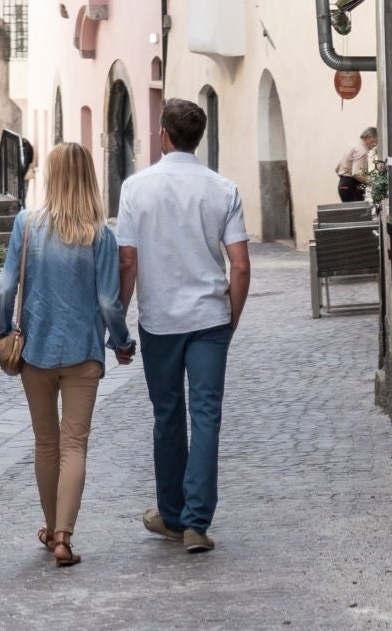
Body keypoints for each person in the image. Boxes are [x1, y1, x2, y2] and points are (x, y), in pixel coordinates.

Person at [0, 142, 135, 568]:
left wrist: (2, 330)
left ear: (52, 177)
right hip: (83, 355)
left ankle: (52, 527)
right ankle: (64, 538)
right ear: (89, 178)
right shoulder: (100, 234)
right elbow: (110, 302)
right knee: (74, 445)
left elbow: (4, 288)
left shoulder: (27, 224)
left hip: (34, 352)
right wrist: (122, 342)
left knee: (45, 442)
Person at [116, 98, 250, 554]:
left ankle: (171, 516)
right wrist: (229, 318)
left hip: (160, 320)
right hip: (210, 316)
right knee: (207, 415)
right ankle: (197, 523)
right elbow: (241, 265)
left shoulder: (136, 188)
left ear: (163, 135)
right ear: (198, 137)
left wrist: (118, 320)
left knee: (167, 415)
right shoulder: (223, 189)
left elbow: (128, 261)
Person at [335, 127, 378, 203]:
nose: (375, 144)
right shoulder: (362, 150)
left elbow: (337, 168)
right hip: (353, 186)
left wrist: (345, 180)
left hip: (343, 185)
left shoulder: (352, 146)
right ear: (369, 137)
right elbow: (357, 174)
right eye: (375, 140)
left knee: (351, 213)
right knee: (357, 213)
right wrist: (372, 183)